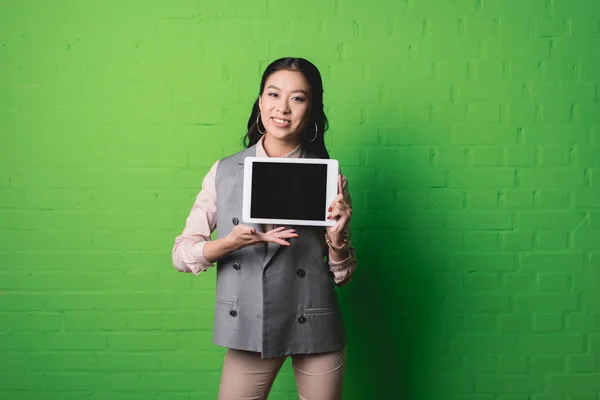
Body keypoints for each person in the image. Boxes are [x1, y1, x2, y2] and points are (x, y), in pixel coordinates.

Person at [172, 57, 357, 400]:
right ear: (260, 102)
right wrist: (228, 244)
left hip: (315, 322)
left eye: (297, 98)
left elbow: (343, 276)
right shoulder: (224, 172)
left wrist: (337, 240)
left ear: (312, 110)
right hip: (248, 324)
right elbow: (181, 255)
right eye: (273, 94)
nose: (283, 108)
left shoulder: (327, 176)